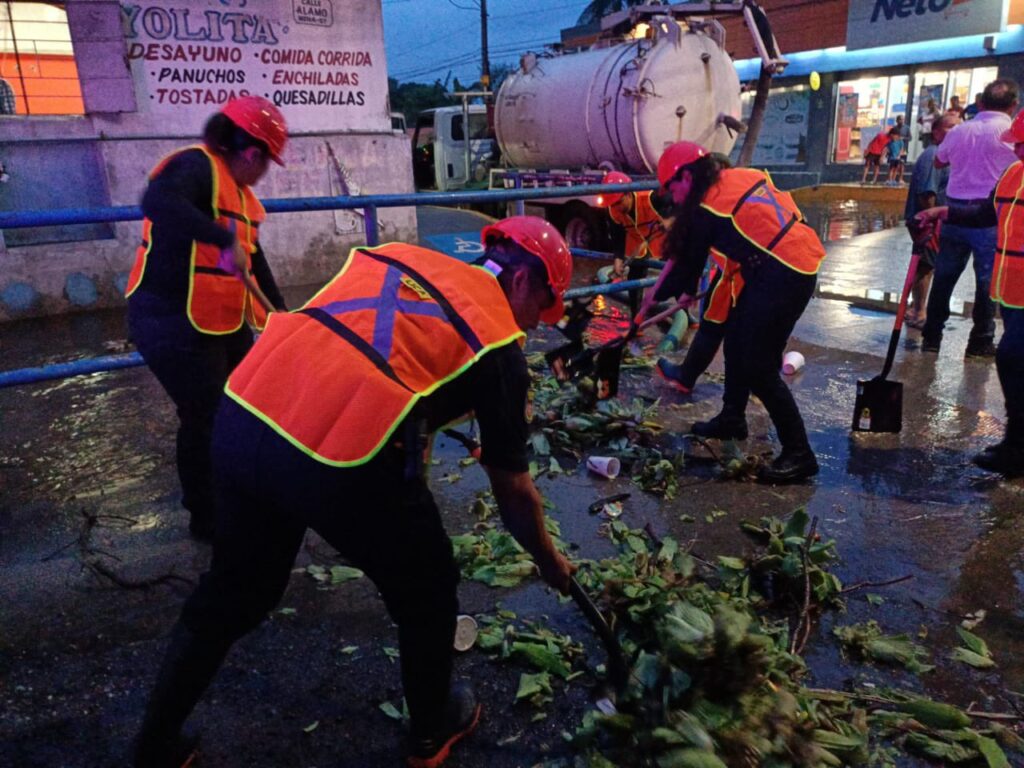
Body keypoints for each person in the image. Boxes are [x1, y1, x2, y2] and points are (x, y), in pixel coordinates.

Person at [132, 216, 578, 768]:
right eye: (543, 308)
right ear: (521, 284)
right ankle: (431, 731)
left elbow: (373, 350)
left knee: (234, 591)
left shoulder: (400, 257)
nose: (535, 327)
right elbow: (513, 491)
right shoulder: (498, 344)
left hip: (246, 413)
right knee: (429, 584)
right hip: (335, 453)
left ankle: (154, 745)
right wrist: (550, 561)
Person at [124, 96, 289, 540]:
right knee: (204, 416)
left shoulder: (242, 196)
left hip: (220, 322)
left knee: (243, 407)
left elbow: (254, 261)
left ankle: (237, 494)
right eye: (267, 162)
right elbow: (156, 201)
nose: (264, 171)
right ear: (252, 154)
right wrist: (218, 236)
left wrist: (284, 317)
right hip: (168, 320)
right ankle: (206, 518)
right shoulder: (196, 168)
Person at [652, 141, 826, 483]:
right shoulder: (740, 175)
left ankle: (800, 453)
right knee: (735, 341)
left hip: (784, 272)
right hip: (788, 262)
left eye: (672, 187)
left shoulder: (707, 205)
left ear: (686, 176)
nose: (674, 197)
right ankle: (732, 418)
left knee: (759, 367)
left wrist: (655, 302)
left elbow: (687, 266)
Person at [916, 109, 1024, 475]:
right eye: (1018, 144)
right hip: (1013, 293)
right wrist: (944, 212)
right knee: (1013, 361)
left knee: (1011, 357)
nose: (1018, 150)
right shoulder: (1012, 175)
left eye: (1022, 145)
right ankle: (1016, 444)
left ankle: (1016, 446)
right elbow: (984, 214)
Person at [921, 78, 1018, 357]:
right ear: (1013, 105)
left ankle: (931, 337)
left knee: (945, 276)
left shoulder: (960, 130)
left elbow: (940, 161)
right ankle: (980, 341)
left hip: (953, 212)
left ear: (982, 103)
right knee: (986, 281)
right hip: (990, 215)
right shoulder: (1012, 133)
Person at [594, 172, 689, 347]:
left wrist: (670, 219)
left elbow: (680, 203)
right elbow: (617, 235)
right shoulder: (613, 210)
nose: (616, 207)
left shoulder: (652, 196)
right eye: (612, 204)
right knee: (635, 278)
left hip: (663, 239)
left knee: (676, 276)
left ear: (628, 194)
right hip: (637, 242)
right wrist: (618, 258)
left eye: (618, 202)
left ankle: (685, 314)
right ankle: (636, 320)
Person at [903, 113, 959, 329]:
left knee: (927, 266)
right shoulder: (933, 155)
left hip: (934, 220)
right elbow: (927, 193)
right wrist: (932, 221)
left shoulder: (944, 156)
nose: (956, 131)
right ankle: (918, 311)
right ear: (936, 131)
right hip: (926, 221)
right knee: (924, 266)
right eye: (951, 127)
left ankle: (914, 306)